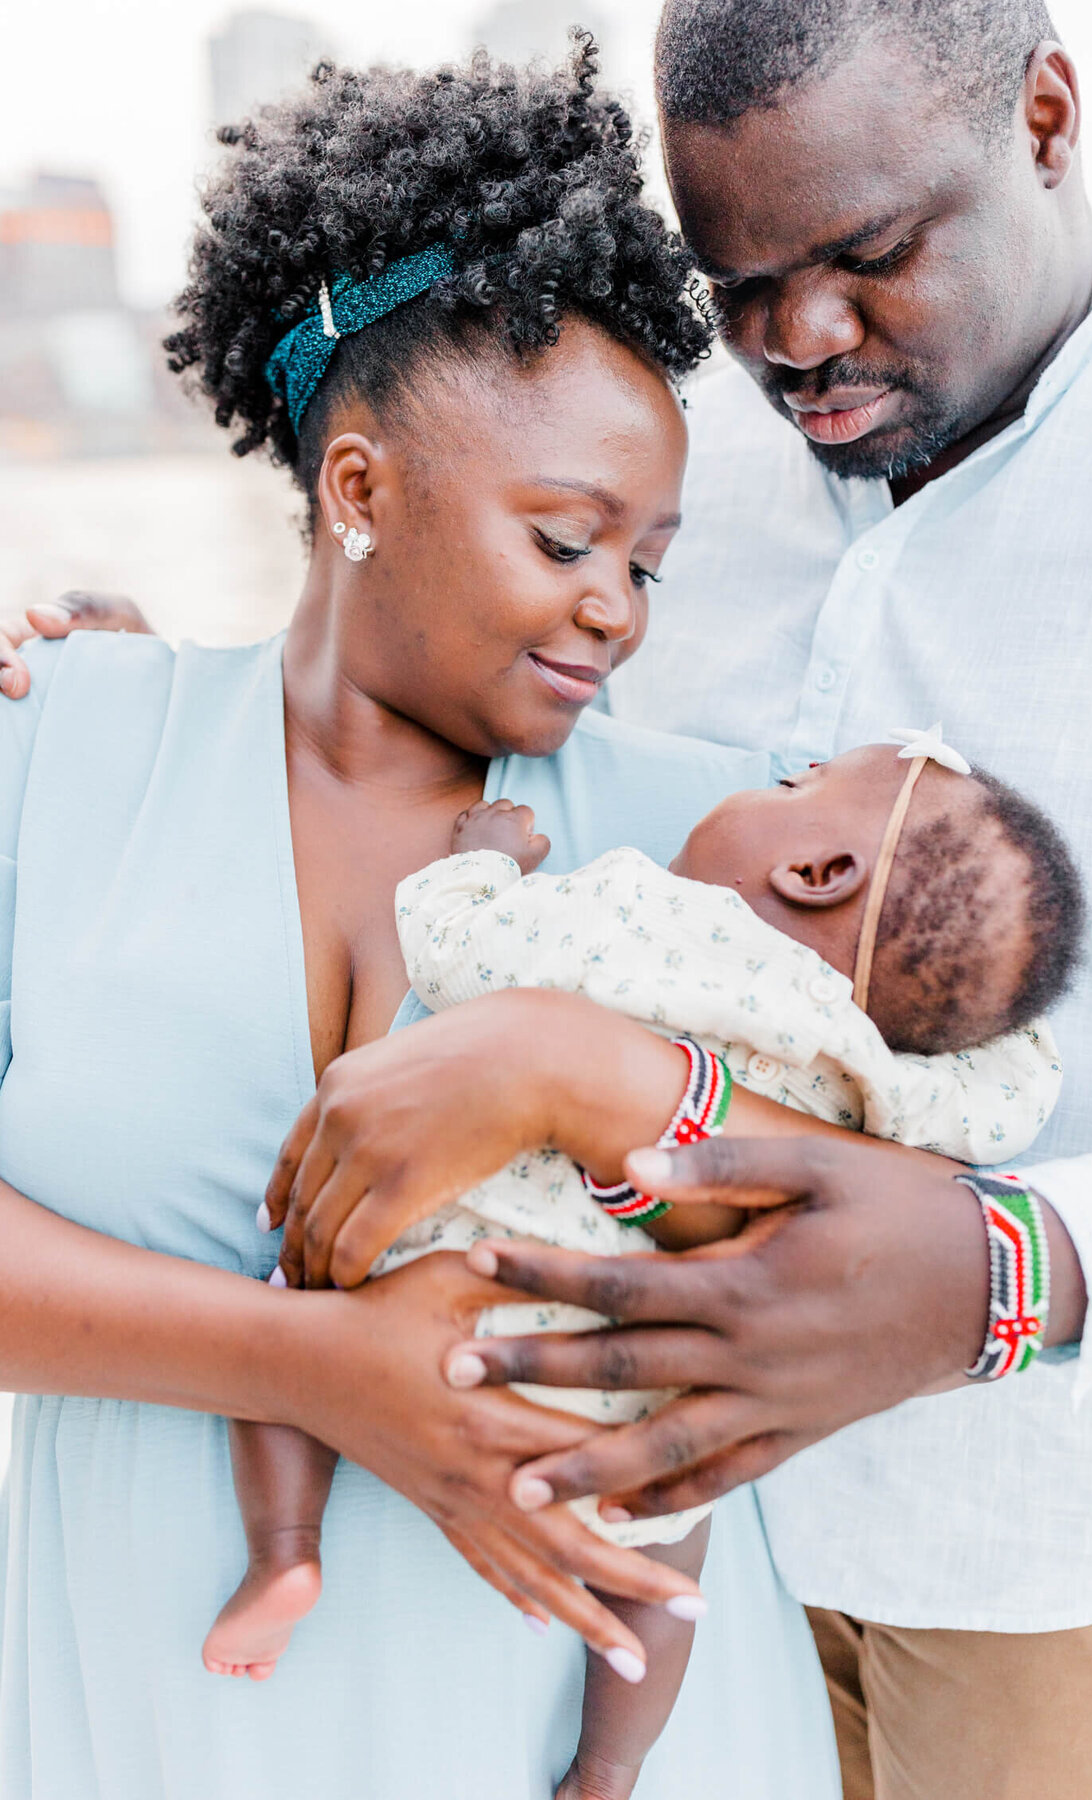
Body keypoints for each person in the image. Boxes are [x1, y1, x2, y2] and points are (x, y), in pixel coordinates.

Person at [0, 42, 846, 1800]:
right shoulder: (54, 740)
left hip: (588, 1739)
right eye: (564, 538)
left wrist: (584, 1075)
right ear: (360, 491)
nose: (615, 609)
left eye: (650, 560)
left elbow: (861, 1217)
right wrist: (322, 1367)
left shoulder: (709, 830)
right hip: (152, 1717)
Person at [411, 5, 1092, 1797]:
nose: (801, 342)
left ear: (1053, 119)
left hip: (1051, 1559)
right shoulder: (672, 450)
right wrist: (155, 705)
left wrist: (1013, 1269)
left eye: (869, 257)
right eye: (740, 281)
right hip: (651, 1536)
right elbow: (482, 741)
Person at [213, 744, 1079, 1795]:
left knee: (291, 1303)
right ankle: (609, 1766)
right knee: (667, 1578)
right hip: (650, 1397)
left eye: (794, 787)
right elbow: (1010, 1104)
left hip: (459, 1287)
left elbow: (465, 956)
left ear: (818, 874)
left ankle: (284, 1551)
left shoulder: (654, 918)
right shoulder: (892, 1071)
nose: (770, 784)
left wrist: (485, 863)